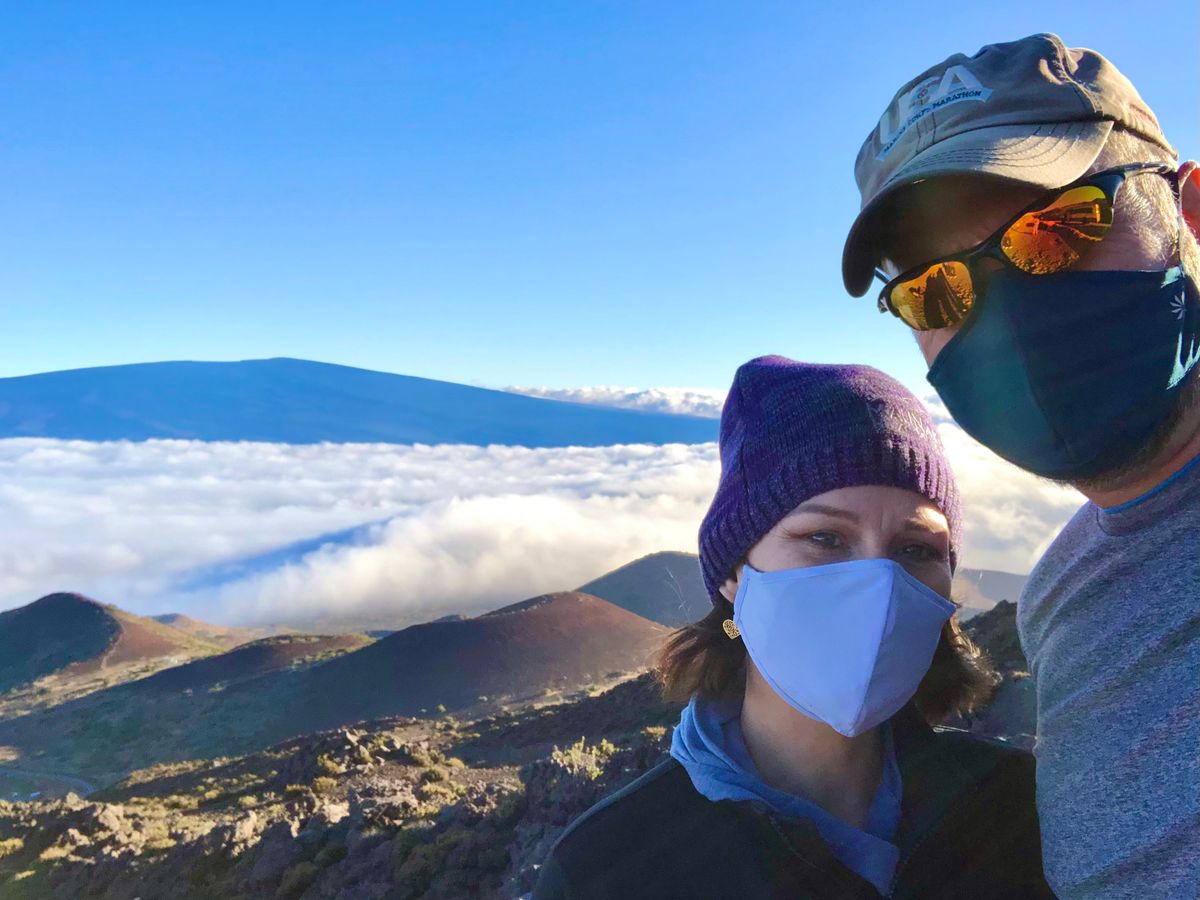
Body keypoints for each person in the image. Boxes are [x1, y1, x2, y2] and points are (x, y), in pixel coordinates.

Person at [840, 33, 1200, 899]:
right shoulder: (1058, 595)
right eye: (934, 290)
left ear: (1189, 213)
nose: (1003, 317)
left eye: (1056, 231)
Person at [532, 356, 1052, 899]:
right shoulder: (605, 871)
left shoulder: (1019, 806)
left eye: (917, 549)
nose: (877, 585)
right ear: (734, 572)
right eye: (825, 538)